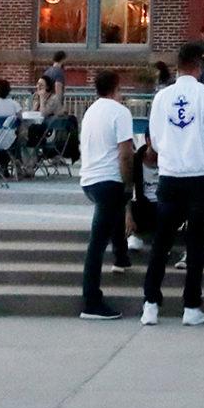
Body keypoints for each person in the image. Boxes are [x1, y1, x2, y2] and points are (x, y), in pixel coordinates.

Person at [140, 41, 204, 326]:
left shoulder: (162, 97)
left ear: (178, 66)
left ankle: (151, 304)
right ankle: (191, 306)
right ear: (198, 66)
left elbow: (153, 135)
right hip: (198, 175)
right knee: (196, 242)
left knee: (161, 241)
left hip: (170, 174)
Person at [77, 69, 137, 319]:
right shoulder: (120, 112)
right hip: (108, 178)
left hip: (89, 178)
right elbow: (125, 152)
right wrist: (128, 183)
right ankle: (91, 300)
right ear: (117, 87)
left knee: (112, 216)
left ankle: (121, 257)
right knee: (97, 242)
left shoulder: (91, 111)